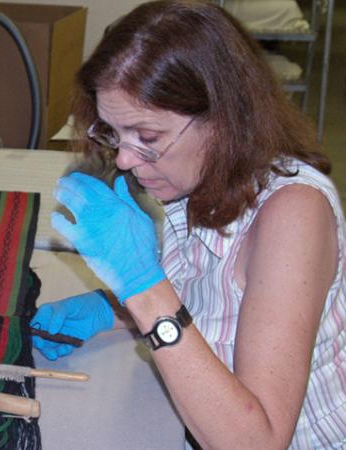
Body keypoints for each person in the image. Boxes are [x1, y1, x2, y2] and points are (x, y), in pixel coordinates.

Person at [30, 1, 346, 448]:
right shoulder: (197, 179)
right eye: (114, 134)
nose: (125, 159)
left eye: (148, 137)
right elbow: (212, 299)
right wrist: (111, 309)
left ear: (223, 117)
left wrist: (143, 288)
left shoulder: (294, 213)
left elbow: (258, 442)